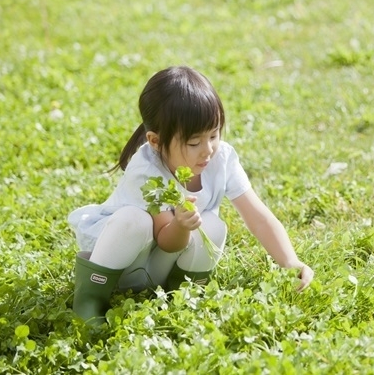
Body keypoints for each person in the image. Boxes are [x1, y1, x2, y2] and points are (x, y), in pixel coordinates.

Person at [68, 66, 314, 325]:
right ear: (155, 141)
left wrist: (289, 261)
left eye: (214, 135)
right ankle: (90, 300)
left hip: (163, 268)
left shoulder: (222, 159)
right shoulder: (147, 170)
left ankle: (186, 291)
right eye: (194, 143)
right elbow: (166, 241)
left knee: (212, 224)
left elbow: (259, 218)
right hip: (123, 264)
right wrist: (180, 225)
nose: (207, 150)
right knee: (134, 219)